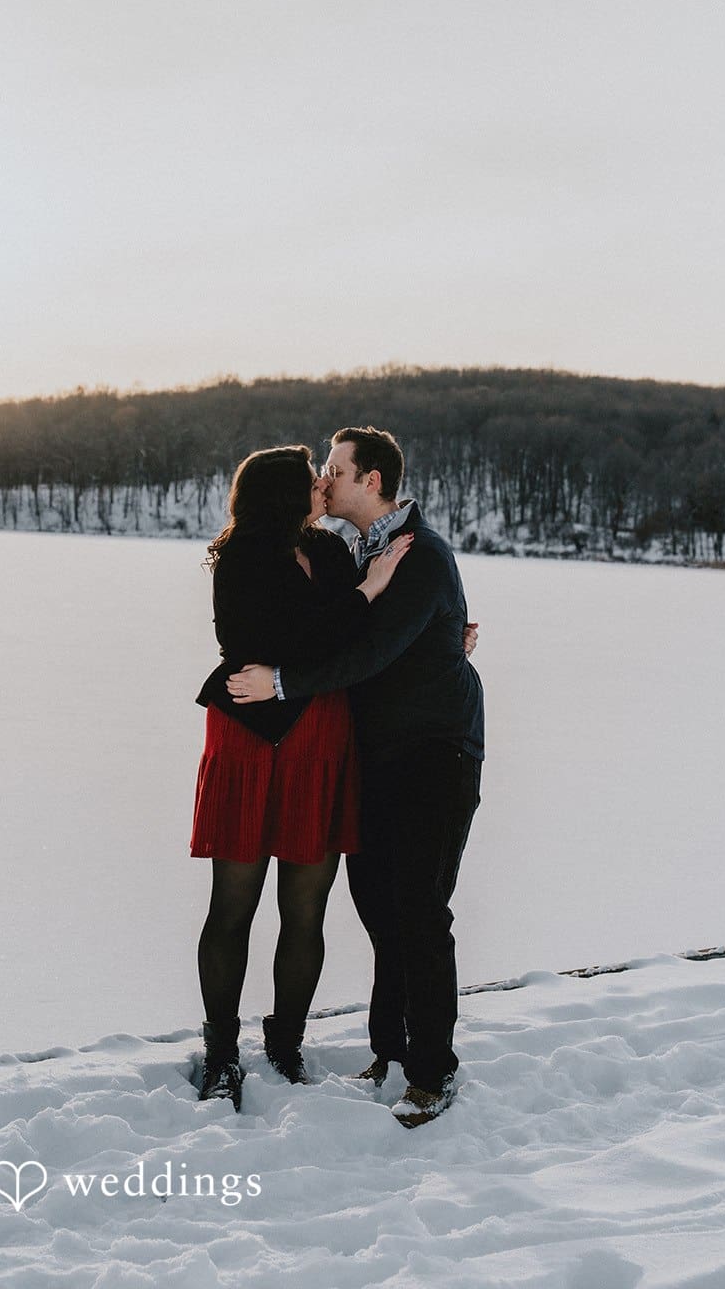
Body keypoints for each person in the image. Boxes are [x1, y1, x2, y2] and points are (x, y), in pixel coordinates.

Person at [228, 426, 484, 1129]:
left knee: (421, 914)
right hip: (375, 755)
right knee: (379, 910)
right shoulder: (358, 552)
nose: (325, 481)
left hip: (436, 753)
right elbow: (336, 626)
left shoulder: (419, 554)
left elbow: (369, 652)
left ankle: (432, 1073)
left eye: (336, 470)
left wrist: (280, 682)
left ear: (370, 481)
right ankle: (390, 1051)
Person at [191, 444, 413, 1111]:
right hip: (248, 734)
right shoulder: (237, 556)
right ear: (283, 494)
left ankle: (284, 1044)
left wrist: (441, 637)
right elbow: (253, 637)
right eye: (311, 478)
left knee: (305, 908)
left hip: (319, 733)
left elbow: (352, 641)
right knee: (232, 904)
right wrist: (365, 593)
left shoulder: (330, 552)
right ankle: (221, 1052)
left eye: (327, 474)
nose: (323, 484)